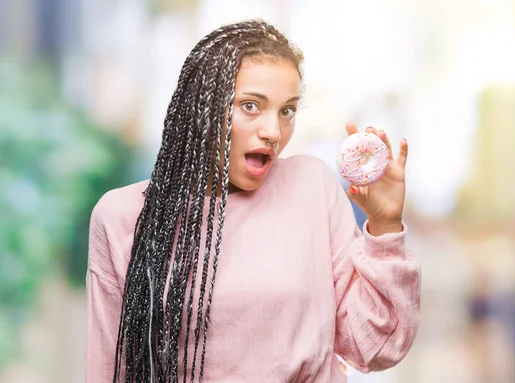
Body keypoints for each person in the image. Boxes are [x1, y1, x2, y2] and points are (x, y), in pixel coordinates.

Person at [86, 19, 421, 383]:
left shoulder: (313, 187)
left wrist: (385, 224)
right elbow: (113, 371)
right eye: (250, 106)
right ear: (201, 108)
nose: (274, 132)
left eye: (287, 110)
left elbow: (373, 346)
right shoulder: (123, 217)